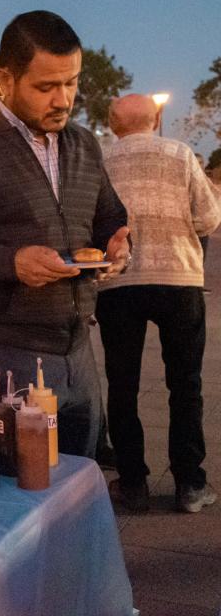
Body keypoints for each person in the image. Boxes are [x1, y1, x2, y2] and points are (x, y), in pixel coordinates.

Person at [0, 10, 130, 458]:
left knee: (75, 487)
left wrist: (118, 244)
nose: (63, 99)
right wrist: (11, 264)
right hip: (1, 354)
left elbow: (109, 216)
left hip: (78, 351)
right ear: (5, 80)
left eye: (71, 82)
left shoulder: (84, 144)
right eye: (46, 87)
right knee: (14, 493)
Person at [98, 94, 221, 513]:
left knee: (123, 385)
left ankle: (133, 484)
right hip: (179, 279)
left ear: (113, 125)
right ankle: (190, 483)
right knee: (185, 384)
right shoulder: (181, 154)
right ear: (157, 118)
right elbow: (209, 218)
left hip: (120, 282)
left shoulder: (102, 159)